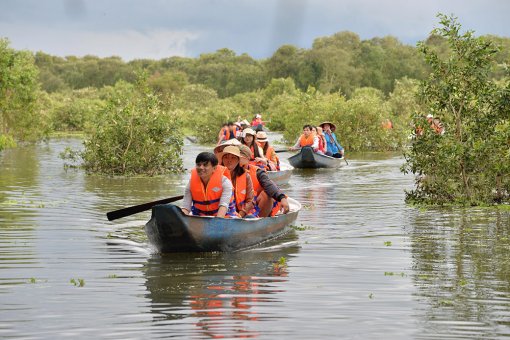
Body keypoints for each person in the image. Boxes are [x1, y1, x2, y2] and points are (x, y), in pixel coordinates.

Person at [238, 145, 289, 217]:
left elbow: (269, 185)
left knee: (267, 195)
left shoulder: (258, 172)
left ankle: (259, 220)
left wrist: (282, 198)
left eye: (242, 159)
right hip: (239, 205)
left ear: (248, 159)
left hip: (256, 205)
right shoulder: (230, 171)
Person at [181, 152, 236, 218]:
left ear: (214, 168)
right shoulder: (191, 183)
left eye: (205, 165)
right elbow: (186, 206)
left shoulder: (225, 182)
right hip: (201, 217)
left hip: (223, 216)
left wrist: (217, 222)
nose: (201, 167)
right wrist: (182, 219)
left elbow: (224, 205)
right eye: (198, 165)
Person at [217, 145, 257, 218]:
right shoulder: (216, 175)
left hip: (241, 213)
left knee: (250, 218)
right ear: (222, 160)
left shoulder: (246, 176)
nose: (229, 160)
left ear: (238, 160)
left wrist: (240, 215)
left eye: (233, 157)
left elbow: (250, 200)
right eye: (226, 157)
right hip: (220, 213)